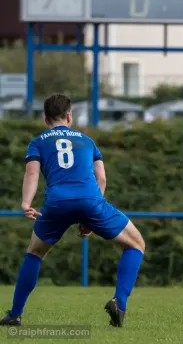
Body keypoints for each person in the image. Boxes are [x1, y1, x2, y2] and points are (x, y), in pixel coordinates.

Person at [0, 94, 145, 328]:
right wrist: (90, 215)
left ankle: (15, 314)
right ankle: (120, 301)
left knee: (35, 253)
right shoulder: (87, 141)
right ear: (69, 116)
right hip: (90, 200)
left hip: (57, 203)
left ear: (45, 119)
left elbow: (32, 173)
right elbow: (101, 178)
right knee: (135, 244)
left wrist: (26, 203)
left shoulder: (38, 142)